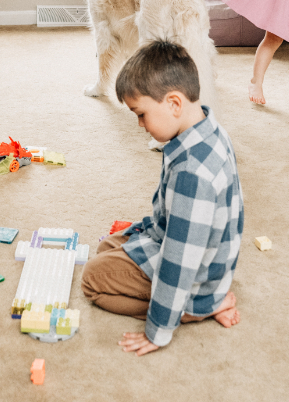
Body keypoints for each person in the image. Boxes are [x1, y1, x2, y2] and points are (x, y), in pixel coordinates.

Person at [80, 41, 243, 356]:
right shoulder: (208, 129)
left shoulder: (192, 175)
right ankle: (206, 299)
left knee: (93, 280)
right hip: (197, 252)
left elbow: (178, 262)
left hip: (196, 274)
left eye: (141, 114)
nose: (140, 125)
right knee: (106, 246)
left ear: (174, 104)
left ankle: (197, 309)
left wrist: (159, 329)